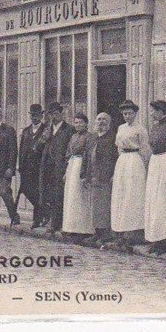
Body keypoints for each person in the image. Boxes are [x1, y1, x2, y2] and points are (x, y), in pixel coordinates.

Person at [110, 99, 150, 250]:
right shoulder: (121, 128)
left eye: (130, 113)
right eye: (125, 114)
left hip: (135, 161)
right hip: (123, 161)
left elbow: (145, 150)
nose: (127, 116)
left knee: (133, 195)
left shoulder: (140, 129)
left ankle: (134, 233)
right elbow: (118, 147)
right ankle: (121, 231)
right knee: (121, 193)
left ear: (135, 113)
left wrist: (144, 167)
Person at [143, 99, 166, 254]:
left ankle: (165, 240)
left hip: (165, 161)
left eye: (152, 111)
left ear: (159, 111)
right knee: (153, 199)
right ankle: (155, 238)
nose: (150, 114)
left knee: (162, 199)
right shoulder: (155, 127)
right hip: (155, 162)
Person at [36, 101, 75, 234]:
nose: (54, 117)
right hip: (47, 166)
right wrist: (43, 139)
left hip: (60, 166)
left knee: (59, 194)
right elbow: (37, 148)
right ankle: (51, 220)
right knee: (48, 195)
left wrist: (67, 165)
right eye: (51, 114)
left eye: (56, 114)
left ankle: (57, 224)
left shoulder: (69, 129)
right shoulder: (47, 129)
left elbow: (71, 149)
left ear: (61, 114)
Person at [81, 112, 118, 246]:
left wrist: (113, 174)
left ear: (109, 123)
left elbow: (115, 159)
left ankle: (105, 234)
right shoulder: (93, 138)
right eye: (99, 119)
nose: (101, 122)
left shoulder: (112, 139)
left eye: (104, 120)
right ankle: (97, 232)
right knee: (95, 207)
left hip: (105, 178)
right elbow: (86, 157)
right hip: (93, 177)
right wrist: (84, 175)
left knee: (104, 206)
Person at [61, 113, 92, 242]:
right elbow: (68, 153)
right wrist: (66, 172)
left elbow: (89, 154)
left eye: (80, 122)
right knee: (71, 197)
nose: (78, 125)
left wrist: (85, 172)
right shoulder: (73, 136)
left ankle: (83, 229)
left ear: (86, 123)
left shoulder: (89, 136)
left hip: (82, 165)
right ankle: (71, 227)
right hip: (72, 165)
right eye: (76, 122)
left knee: (81, 197)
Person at [18, 103, 46, 229]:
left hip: (40, 167)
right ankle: (45, 211)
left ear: (41, 116)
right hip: (27, 168)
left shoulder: (46, 129)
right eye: (33, 115)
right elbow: (22, 149)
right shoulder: (26, 131)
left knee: (39, 192)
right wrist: (20, 165)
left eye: (37, 115)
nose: (35, 118)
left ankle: (37, 220)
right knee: (25, 189)